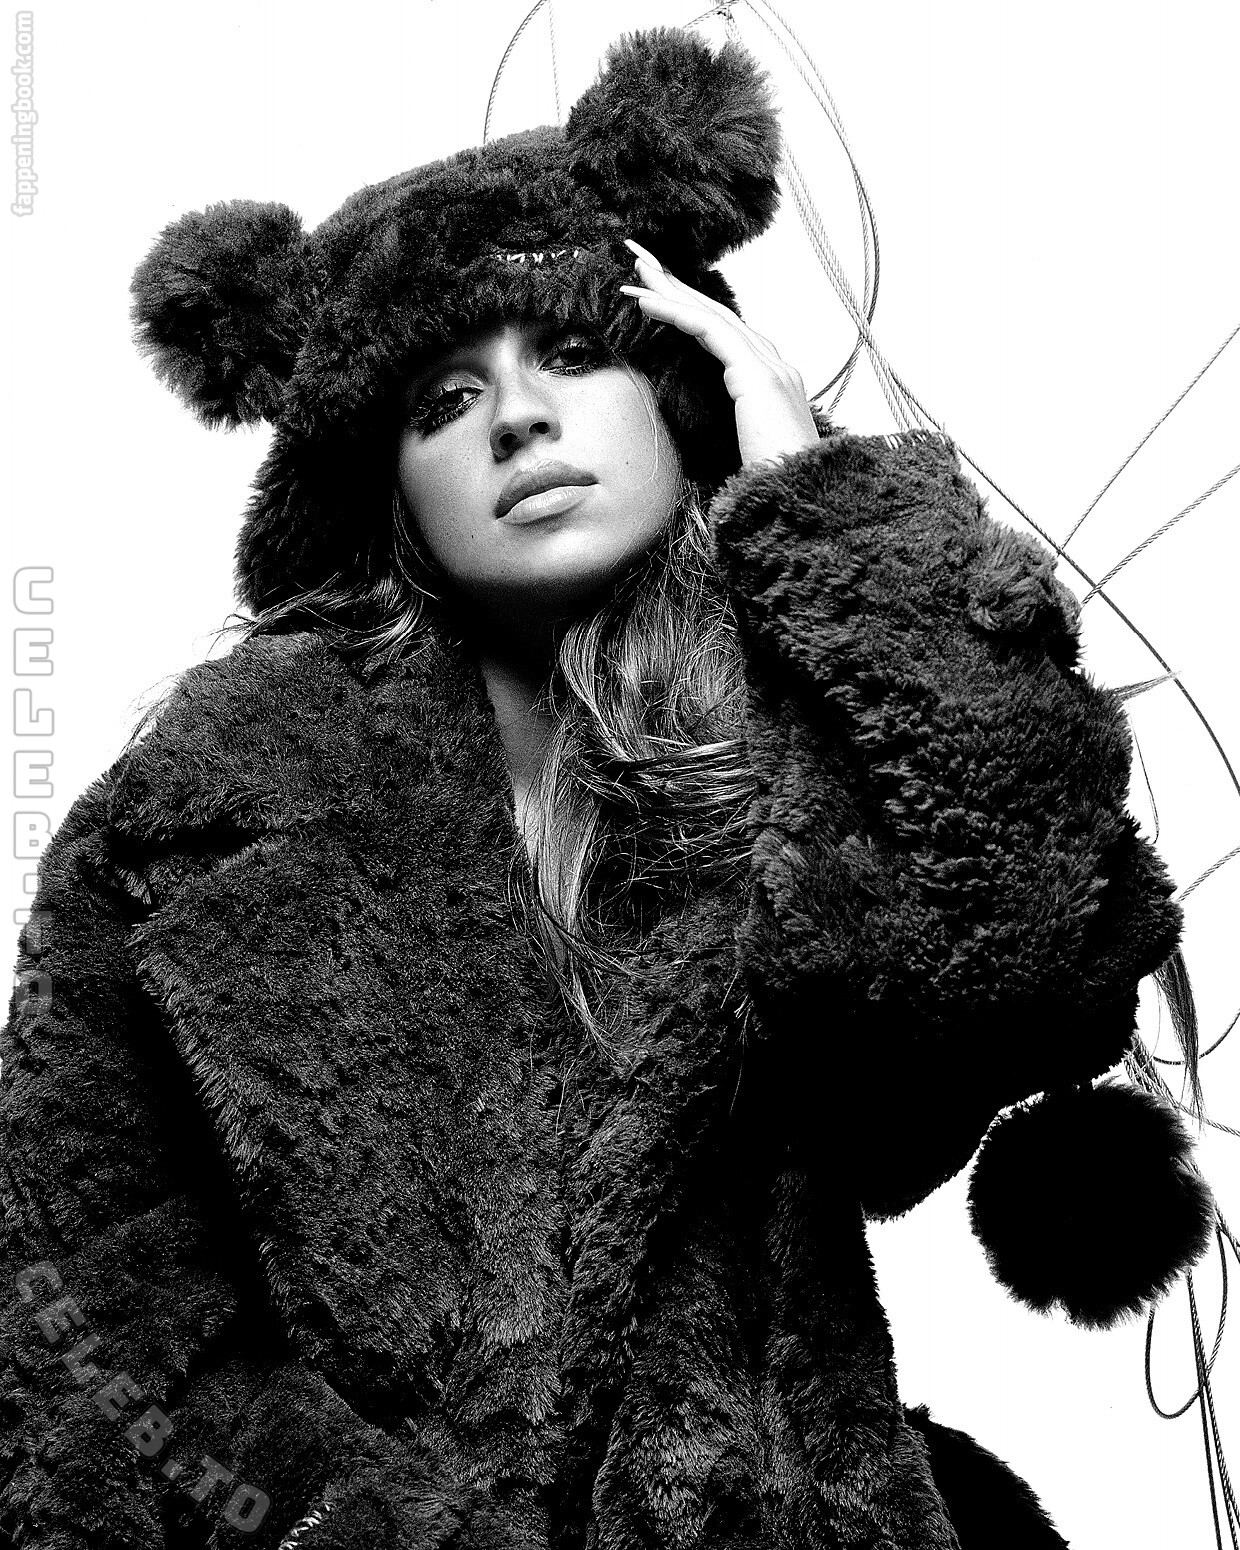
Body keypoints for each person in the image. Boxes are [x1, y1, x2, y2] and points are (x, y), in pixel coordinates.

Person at [0, 26, 1216, 1550]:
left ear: (678, 394)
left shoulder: (808, 730)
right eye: (443, 400)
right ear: (389, 491)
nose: (516, 417)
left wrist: (829, 517)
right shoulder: (191, 824)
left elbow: (1014, 963)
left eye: (574, 354)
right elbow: (76, 1307)